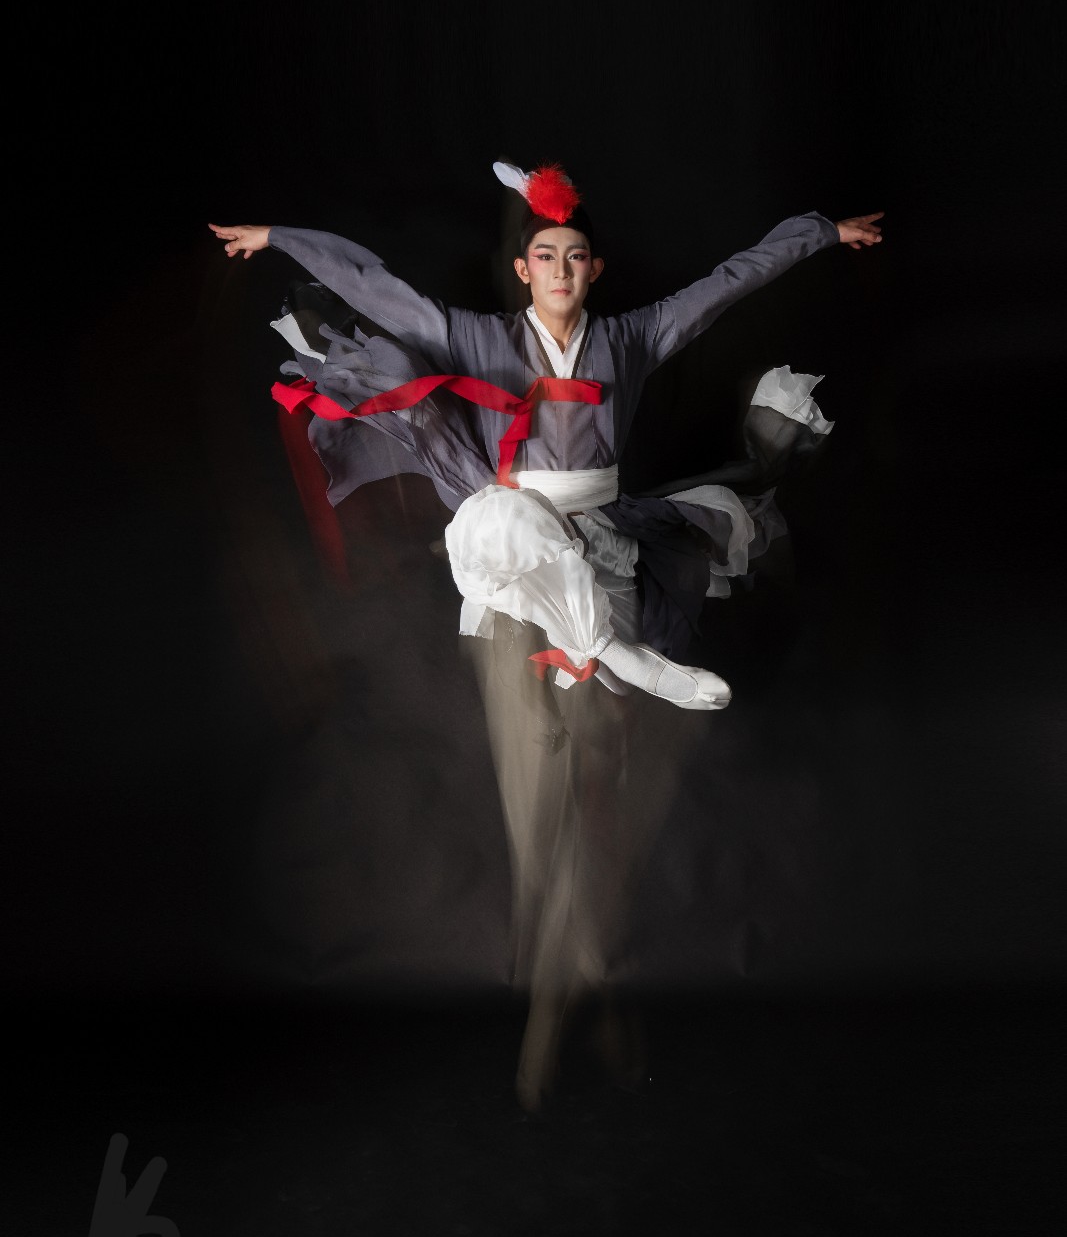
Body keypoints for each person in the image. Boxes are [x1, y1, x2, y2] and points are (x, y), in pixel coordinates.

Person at [209, 162, 882, 1109]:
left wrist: (819, 233)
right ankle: (555, 983)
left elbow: (729, 283)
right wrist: (281, 239)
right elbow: (376, 288)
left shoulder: (633, 336)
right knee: (533, 794)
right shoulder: (477, 338)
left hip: (606, 562)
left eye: (574, 256)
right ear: (523, 270)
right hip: (511, 569)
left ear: (593, 269)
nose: (561, 270)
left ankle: (583, 983)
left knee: (598, 786)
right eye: (545, 257)